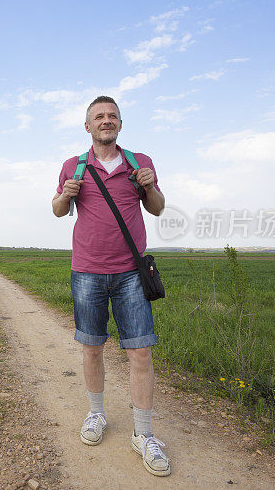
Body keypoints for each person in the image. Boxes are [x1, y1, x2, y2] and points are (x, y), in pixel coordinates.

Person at [51, 96, 169, 477]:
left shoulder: (140, 163)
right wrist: (65, 193)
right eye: (99, 117)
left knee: (141, 353)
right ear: (88, 126)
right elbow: (56, 209)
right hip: (87, 271)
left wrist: (149, 187)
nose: (106, 121)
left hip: (131, 273)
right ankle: (97, 414)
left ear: (120, 124)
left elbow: (158, 208)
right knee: (92, 348)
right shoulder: (75, 166)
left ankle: (144, 434)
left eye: (112, 116)